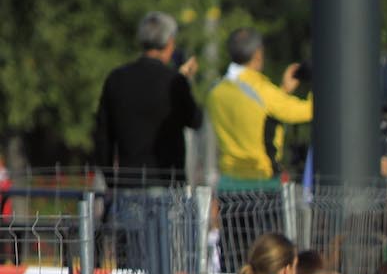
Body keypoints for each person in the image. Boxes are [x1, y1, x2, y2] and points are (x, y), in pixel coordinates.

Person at [91, 11, 201, 184]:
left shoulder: (116, 78)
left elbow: (103, 136)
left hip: (128, 182)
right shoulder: (174, 81)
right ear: (170, 42)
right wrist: (187, 81)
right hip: (167, 182)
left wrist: (110, 180)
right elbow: (195, 120)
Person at [206, 27, 314, 189]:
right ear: (257, 53)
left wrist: (283, 90)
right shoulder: (262, 90)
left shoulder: (216, 91)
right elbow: (307, 111)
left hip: (228, 182)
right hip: (261, 180)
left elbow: (261, 110)